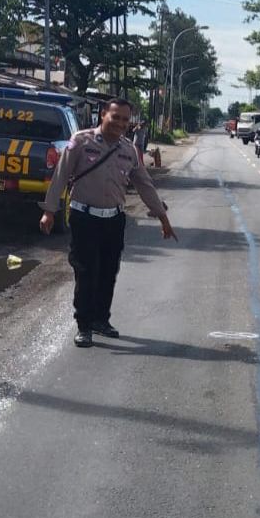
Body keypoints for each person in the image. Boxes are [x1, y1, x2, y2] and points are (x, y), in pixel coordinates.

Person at [39, 98, 177, 348]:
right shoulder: (81, 141)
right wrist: (49, 211)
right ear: (103, 115)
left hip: (114, 219)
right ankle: (84, 326)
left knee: (108, 272)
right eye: (116, 117)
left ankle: (101, 320)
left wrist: (163, 218)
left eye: (125, 120)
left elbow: (145, 184)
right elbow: (60, 176)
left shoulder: (128, 150)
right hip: (84, 218)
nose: (120, 124)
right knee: (86, 271)